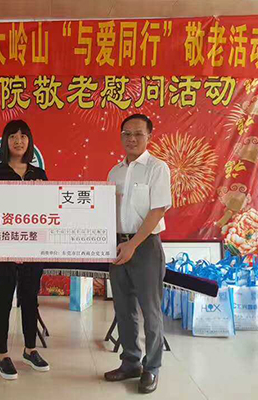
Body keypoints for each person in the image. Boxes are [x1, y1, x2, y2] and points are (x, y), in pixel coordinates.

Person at [104, 114, 171, 394]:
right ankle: (130, 362)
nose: (131, 139)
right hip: (118, 246)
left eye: (138, 134)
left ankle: (151, 367)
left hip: (145, 246)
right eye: (126, 133)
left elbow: (158, 210)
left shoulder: (157, 168)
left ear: (149, 136)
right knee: (123, 308)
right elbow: (105, 210)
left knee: (150, 311)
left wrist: (133, 244)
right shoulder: (114, 172)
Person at [0, 120, 50, 380]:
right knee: (3, 300)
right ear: (6, 141)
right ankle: (2, 354)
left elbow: (49, 209)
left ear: (29, 141)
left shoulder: (39, 173)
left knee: (30, 298)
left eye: (23, 136)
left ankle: (30, 350)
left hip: (33, 245)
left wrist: (43, 193)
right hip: (4, 245)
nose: (19, 140)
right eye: (13, 136)